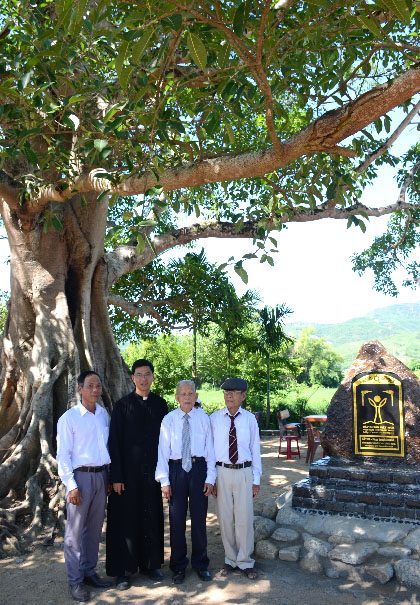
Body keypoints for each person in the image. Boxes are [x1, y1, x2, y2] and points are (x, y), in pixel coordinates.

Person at [106, 359, 168, 590]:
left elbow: (167, 442)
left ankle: (150, 565)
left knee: (151, 517)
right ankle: (123, 570)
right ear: (132, 378)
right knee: (125, 520)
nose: (144, 379)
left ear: (153, 377)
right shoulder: (122, 406)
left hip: (152, 474)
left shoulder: (161, 405)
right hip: (127, 476)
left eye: (148, 374)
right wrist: (117, 477)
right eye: (139, 375)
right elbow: (115, 442)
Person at [56, 371, 112, 602]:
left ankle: (89, 572)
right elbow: (63, 455)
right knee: (74, 533)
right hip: (80, 478)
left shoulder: (103, 414)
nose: (95, 390)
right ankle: (75, 581)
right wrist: (71, 485)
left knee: (94, 529)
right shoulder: (69, 418)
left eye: (98, 386)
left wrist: (108, 477)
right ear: (80, 389)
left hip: (101, 476)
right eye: (90, 386)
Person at [155, 380, 216, 585]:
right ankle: (178, 565)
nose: (187, 397)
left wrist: (210, 477)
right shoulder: (169, 419)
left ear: (196, 396)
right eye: (183, 394)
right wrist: (164, 480)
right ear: (177, 397)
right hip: (176, 470)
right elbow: (162, 451)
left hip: (198, 469)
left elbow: (212, 449)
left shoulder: (203, 419)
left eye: (191, 393)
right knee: (176, 519)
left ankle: (200, 564)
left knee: (199, 519)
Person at [210, 377, 261, 580]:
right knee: (225, 517)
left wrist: (256, 479)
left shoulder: (249, 420)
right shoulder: (214, 419)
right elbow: (210, 452)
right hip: (221, 472)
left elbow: (255, 450)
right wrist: (211, 478)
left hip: (244, 472)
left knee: (244, 517)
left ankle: (245, 560)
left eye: (234, 392)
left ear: (243, 395)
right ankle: (230, 559)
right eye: (226, 392)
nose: (229, 395)